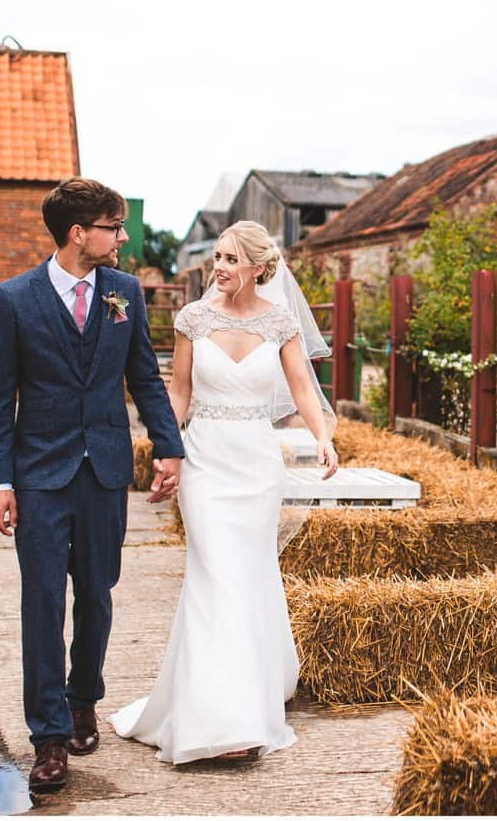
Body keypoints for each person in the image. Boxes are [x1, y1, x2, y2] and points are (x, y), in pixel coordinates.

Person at [0, 178, 185, 794]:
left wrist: (169, 446)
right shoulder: (13, 299)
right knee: (41, 603)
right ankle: (47, 737)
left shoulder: (124, 293)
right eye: (113, 226)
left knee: (96, 593)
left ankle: (82, 701)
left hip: (103, 472)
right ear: (79, 233)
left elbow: (144, 377)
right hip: (39, 477)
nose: (123, 237)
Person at [110, 220, 338, 765]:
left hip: (257, 467)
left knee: (248, 576)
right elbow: (180, 391)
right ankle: (216, 720)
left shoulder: (280, 323)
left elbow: (304, 388)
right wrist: (166, 450)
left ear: (259, 267)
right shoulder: (192, 319)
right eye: (217, 256)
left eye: (232, 259)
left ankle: (245, 710)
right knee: (215, 576)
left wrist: (323, 438)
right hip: (206, 463)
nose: (220, 266)